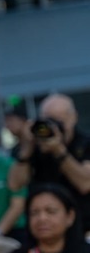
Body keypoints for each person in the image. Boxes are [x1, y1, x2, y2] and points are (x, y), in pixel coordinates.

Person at [8, 93, 90, 235]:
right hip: (43, 230)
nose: (54, 126)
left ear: (73, 118)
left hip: (83, 224)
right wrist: (26, 149)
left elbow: (85, 184)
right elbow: (14, 184)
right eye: (48, 121)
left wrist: (58, 150)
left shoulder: (85, 143)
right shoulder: (33, 146)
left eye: (59, 120)